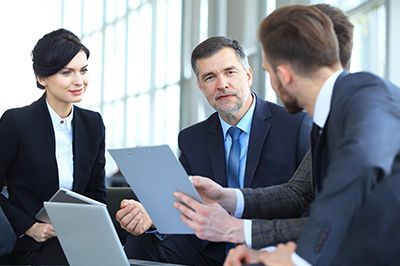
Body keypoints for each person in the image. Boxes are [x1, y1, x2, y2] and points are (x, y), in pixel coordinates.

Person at [224, 5, 400, 266]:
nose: (271, 82)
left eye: (269, 72)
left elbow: (362, 159)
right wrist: (265, 256)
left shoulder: (366, 91)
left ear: (284, 76)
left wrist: (298, 259)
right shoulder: (324, 121)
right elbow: (315, 202)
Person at [173, 2, 354, 250]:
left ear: (287, 71)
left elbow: (345, 221)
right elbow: (297, 193)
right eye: (211, 77)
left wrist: (241, 233)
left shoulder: (357, 111)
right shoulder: (335, 115)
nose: (270, 79)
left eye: (269, 69)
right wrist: (226, 197)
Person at [117, 36, 311, 265]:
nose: (222, 84)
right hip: (211, 248)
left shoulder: (295, 125)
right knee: (140, 241)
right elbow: (184, 202)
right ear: (200, 86)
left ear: (248, 75)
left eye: (230, 72)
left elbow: (305, 203)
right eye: (210, 77)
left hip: (269, 246)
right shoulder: (191, 138)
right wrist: (153, 215)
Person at [0, 28, 106, 265]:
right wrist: (29, 227)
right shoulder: (17, 122)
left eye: (83, 70)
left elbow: (96, 193)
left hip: (81, 238)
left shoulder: (93, 124)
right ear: (42, 78)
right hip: (34, 244)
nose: (79, 81)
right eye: (66, 72)